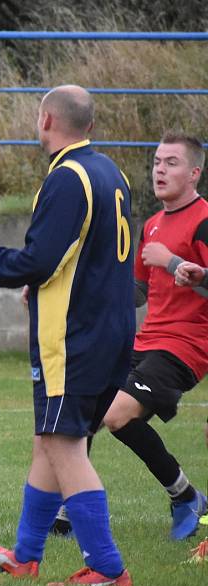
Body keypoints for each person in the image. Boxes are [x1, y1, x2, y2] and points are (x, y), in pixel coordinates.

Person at [0, 85, 134, 586]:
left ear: (46, 120)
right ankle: (26, 554)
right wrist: (38, 288)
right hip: (109, 330)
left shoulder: (69, 177)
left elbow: (40, 258)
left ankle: (107, 568)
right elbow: (92, 256)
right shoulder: (112, 173)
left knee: (65, 444)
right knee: (51, 440)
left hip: (75, 337)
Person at [101, 132, 208, 541]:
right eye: (157, 162)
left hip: (186, 346)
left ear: (194, 173)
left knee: (115, 414)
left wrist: (174, 261)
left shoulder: (203, 221)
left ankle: (185, 497)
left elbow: (197, 278)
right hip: (145, 342)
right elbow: (139, 292)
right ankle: (67, 512)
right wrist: (86, 292)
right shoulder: (151, 224)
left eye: (172, 163)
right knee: (89, 404)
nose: (160, 170)